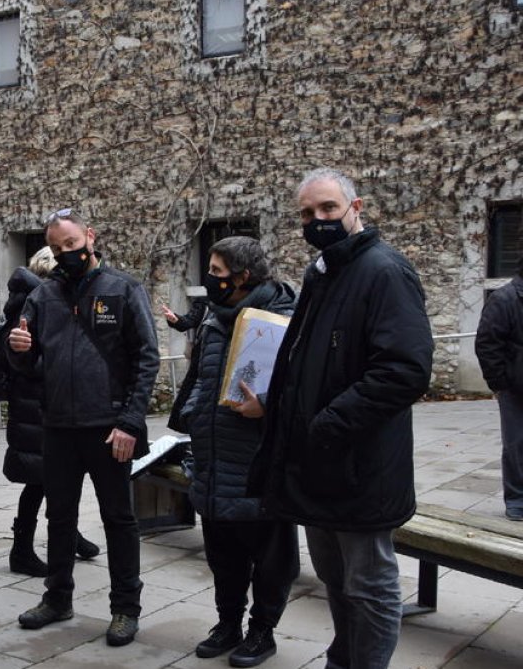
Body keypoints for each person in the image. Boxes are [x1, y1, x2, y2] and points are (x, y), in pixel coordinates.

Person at [249, 168, 433, 669]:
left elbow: (405, 370)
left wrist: (329, 423)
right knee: (334, 579)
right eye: (307, 213)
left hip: (360, 463)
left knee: (369, 584)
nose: (318, 220)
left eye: (328, 209)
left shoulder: (384, 270)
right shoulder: (323, 272)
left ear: (356, 208)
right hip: (316, 462)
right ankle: (343, 658)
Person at [8, 208, 160, 647]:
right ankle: (57, 598)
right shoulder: (44, 295)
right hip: (58, 426)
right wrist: (18, 349)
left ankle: (125, 609)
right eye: (56, 249)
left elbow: (147, 359)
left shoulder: (123, 288)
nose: (64, 255)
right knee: (59, 518)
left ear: (90, 236)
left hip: (111, 428)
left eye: (71, 245)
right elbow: (28, 362)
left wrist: (131, 421)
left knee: (119, 518)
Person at [169, 237, 299, 667]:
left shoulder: (284, 320)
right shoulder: (213, 318)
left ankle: (262, 631)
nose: (209, 279)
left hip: (257, 464)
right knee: (222, 555)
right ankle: (228, 623)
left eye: (217, 272)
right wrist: (191, 413)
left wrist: (267, 408)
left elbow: (304, 394)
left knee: (270, 559)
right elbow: (203, 377)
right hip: (212, 457)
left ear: (243, 278)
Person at [0, 246, 99, 577]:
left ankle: (69, 534)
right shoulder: (35, 302)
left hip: (48, 402)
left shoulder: (36, 297)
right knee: (40, 479)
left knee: (58, 477)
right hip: (36, 403)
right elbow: (30, 357)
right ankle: (21, 550)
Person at [474, 264, 523, 521]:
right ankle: (517, 499)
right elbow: (487, 342)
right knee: (517, 444)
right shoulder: (505, 299)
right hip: (515, 388)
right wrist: (500, 382)